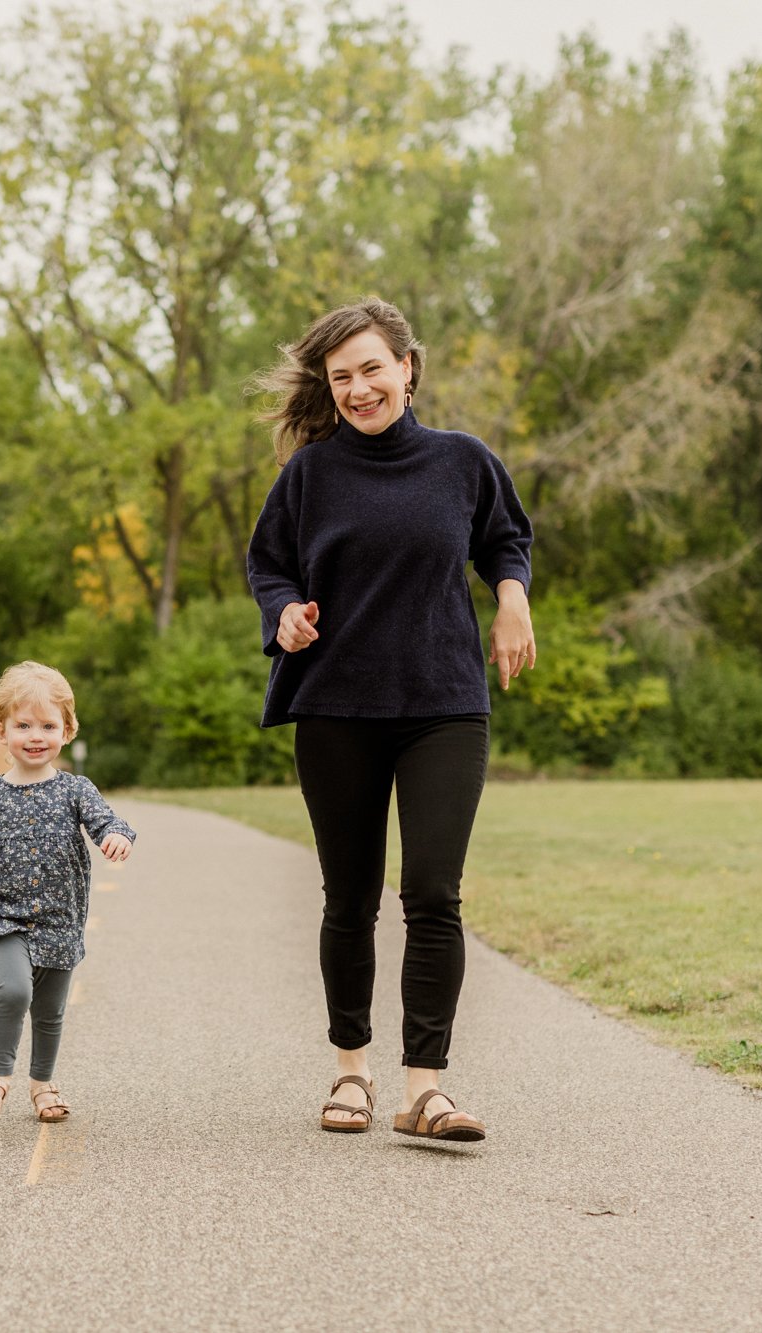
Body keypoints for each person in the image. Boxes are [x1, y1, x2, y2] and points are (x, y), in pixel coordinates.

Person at [245, 296, 536, 1143]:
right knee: (348, 897)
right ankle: (351, 1072)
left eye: (372, 368)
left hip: (444, 703)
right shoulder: (310, 475)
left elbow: (504, 541)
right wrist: (284, 617)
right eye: (341, 377)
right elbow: (269, 566)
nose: (359, 388)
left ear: (409, 368)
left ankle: (425, 1089)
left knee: (434, 893)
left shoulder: (462, 462)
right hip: (336, 705)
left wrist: (511, 602)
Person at [0, 662, 134, 1124]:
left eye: (48, 726)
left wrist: (118, 836)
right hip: (5, 915)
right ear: (0, 730)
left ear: (66, 731)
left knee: (50, 1011)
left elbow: (107, 821)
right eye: (23, 725)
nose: (35, 736)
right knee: (13, 992)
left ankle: (43, 1085)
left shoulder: (75, 790)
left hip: (60, 918)